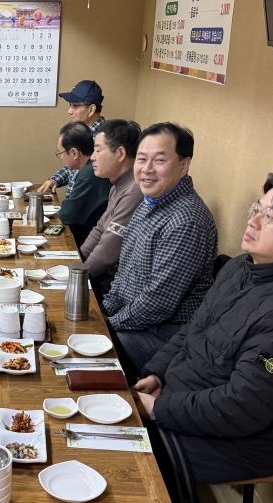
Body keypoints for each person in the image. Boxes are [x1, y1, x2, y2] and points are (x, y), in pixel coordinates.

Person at [132, 174, 273, 503]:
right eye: (256, 210)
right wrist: (156, 374)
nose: (253, 222)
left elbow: (241, 407)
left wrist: (160, 409)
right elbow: (193, 329)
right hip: (186, 400)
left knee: (123, 459)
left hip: (237, 442)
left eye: (271, 217)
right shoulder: (240, 267)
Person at [103, 123, 217, 371]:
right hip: (134, 320)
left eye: (160, 160)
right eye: (142, 159)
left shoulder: (186, 222)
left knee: (84, 353)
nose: (147, 169)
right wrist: (104, 311)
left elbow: (158, 303)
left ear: (184, 166)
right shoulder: (150, 202)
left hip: (163, 337)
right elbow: (123, 272)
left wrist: (107, 325)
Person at [79, 119, 143, 295]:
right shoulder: (117, 184)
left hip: (114, 281)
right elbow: (100, 229)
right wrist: (76, 262)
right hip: (103, 274)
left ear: (120, 153)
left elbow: (107, 253)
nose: (92, 157)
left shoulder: (134, 191)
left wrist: (77, 278)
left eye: (98, 150)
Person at [37, 80, 106, 194]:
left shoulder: (103, 139)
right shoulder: (80, 131)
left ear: (91, 109)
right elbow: (73, 167)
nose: (69, 111)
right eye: (70, 105)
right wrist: (54, 180)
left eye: (75, 106)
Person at [55, 122, 112, 247]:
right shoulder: (90, 169)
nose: (61, 157)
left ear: (74, 153)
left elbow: (66, 215)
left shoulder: (89, 173)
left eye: (61, 153)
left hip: (88, 242)